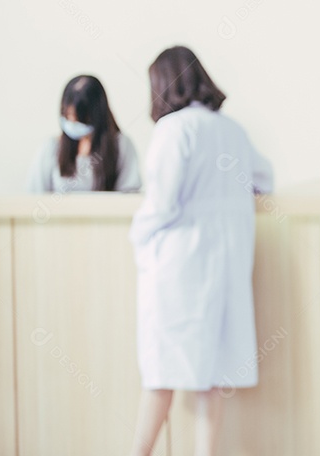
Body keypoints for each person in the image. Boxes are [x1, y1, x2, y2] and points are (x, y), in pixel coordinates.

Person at [127, 46, 273, 456]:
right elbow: (265, 177)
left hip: (178, 269)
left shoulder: (174, 130)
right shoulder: (230, 130)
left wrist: (138, 240)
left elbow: (161, 204)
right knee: (212, 374)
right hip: (225, 268)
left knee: (160, 374)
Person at [27, 74, 141, 193]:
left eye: (79, 118)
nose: (72, 123)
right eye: (68, 116)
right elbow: (34, 195)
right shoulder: (51, 147)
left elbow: (129, 195)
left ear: (96, 115)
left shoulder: (121, 145)